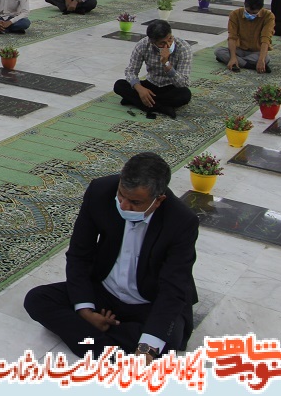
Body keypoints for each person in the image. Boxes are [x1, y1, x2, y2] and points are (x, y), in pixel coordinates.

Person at [23, 153, 198, 361]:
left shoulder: (181, 221)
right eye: (121, 195)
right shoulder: (100, 191)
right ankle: (113, 349)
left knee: (168, 337)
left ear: (158, 200)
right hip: (105, 291)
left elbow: (173, 287)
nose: (123, 206)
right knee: (37, 300)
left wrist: (147, 349)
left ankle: (93, 342)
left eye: (134, 202)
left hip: (148, 300)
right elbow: (80, 253)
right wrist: (85, 311)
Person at [113, 20, 192, 119]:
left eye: (170, 39)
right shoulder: (143, 45)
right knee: (119, 85)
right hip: (151, 84)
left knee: (185, 94)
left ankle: (139, 101)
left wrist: (166, 64)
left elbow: (183, 83)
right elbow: (131, 71)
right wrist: (140, 89)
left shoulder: (183, 48)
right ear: (152, 42)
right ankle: (161, 107)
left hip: (171, 86)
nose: (167, 45)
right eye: (162, 43)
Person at [215, 0, 275, 73]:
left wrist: (261, 60)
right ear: (244, 5)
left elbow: (265, 39)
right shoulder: (235, 14)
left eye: (254, 13)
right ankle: (249, 65)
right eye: (248, 12)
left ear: (261, 8)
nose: (250, 15)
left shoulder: (268, 16)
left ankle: (235, 62)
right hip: (239, 50)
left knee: (266, 59)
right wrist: (233, 57)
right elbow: (232, 37)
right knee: (219, 51)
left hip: (256, 51)